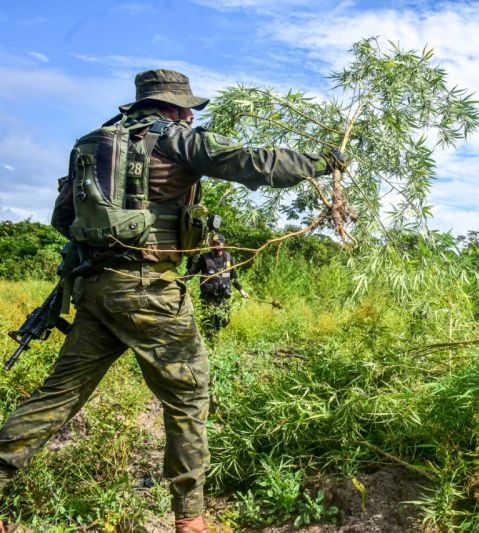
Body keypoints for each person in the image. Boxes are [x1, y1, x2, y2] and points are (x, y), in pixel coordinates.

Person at [0, 69, 344, 533]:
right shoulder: (177, 139)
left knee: (58, 396)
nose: (189, 113)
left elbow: (64, 218)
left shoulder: (90, 144)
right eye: (187, 108)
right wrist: (321, 163)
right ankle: (191, 520)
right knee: (188, 396)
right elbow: (254, 163)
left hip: (96, 288)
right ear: (176, 107)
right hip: (150, 291)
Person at [185, 232, 248, 341]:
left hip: (224, 296)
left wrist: (241, 290)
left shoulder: (228, 258)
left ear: (223, 245)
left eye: (218, 244)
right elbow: (192, 271)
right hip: (208, 297)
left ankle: (216, 341)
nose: (215, 246)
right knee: (210, 325)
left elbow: (233, 276)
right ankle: (212, 345)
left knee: (224, 321)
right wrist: (182, 281)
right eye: (213, 243)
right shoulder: (204, 258)